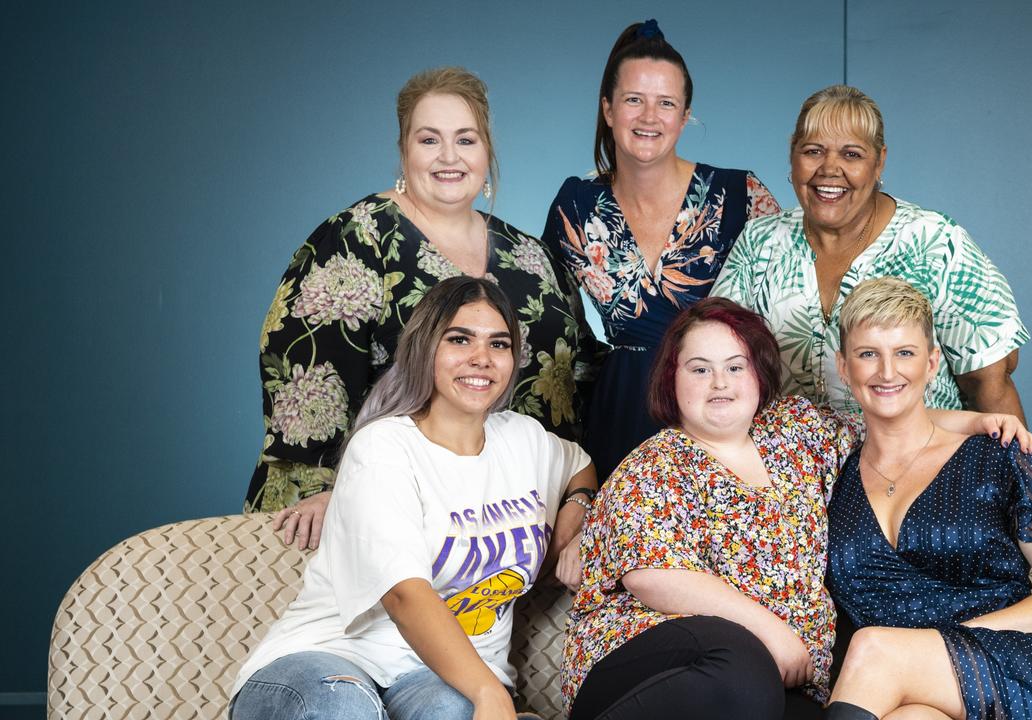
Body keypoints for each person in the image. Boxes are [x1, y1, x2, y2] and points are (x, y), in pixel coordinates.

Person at [561, 297, 1032, 720]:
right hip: (646, 665)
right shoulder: (654, 462)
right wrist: (772, 633)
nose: (719, 383)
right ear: (672, 378)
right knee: (739, 665)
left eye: (736, 366)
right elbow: (653, 573)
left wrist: (979, 420)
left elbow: (890, 420)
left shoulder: (795, 431)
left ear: (758, 374)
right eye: (699, 369)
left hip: (779, 682)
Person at [248, 67, 598, 550]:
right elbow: (304, 380)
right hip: (381, 514)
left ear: (487, 150)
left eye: (466, 140)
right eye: (429, 140)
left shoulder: (531, 256)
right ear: (404, 150)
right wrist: (330, 490)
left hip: (515, 520)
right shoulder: (358, 240)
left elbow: (579, 368)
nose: (449, 157)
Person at [230, 276, 597, 720]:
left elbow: (580, 466)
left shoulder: (524, 440)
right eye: (460, 339)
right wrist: (490, 693)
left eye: (499, 344)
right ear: (426, 347)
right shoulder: (383, 447)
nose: (481, 358)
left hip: (435, 681)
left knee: (452, 713)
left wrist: (571, 523)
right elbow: (404, 595)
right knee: (346, 709)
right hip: (328, 662)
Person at [823, 277, 1032, 720]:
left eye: (904, 353)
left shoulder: (997, 455)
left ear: (931, 364)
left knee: (873, 646)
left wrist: (951, 641)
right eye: (869, 354)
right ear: (844, 367)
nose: (888, 372)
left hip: (1026, 670)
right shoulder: (829, 465)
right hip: (917, 697)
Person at [541, 19, 781, 480]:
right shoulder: (577, 203)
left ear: (685, 114)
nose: (649, 118)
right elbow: (554, 321)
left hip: (723, 415)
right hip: (622, 412)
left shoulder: (740, 197)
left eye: (665, 103)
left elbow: (783, 323)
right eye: (634, 100)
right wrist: (607, 377)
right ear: (608, 109)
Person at [711, 84, 1027, 422]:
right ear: (793, 155)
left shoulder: (936, 243)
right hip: (788, 469)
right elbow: (714, 358)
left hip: (919, 466)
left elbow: (990, 383)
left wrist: (1016, 473)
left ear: (879, 162)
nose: (829, 169)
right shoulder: (760, 242)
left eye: (851, 154)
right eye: (813, 151)